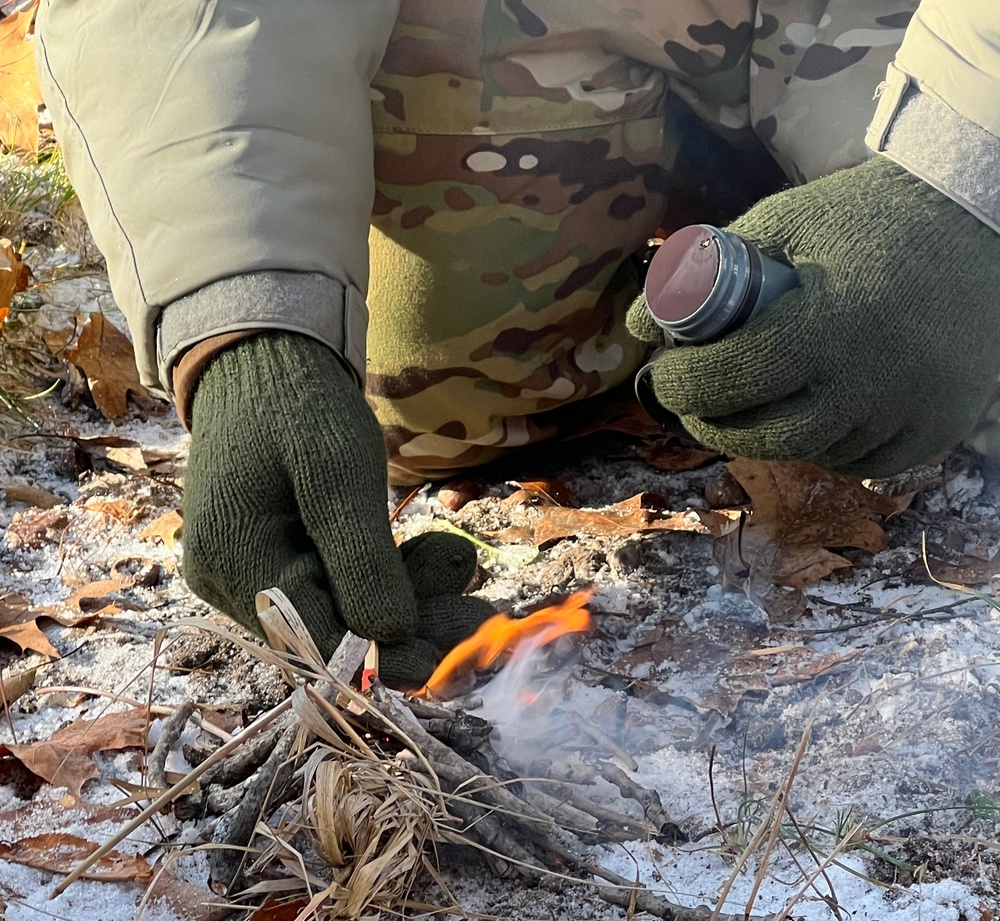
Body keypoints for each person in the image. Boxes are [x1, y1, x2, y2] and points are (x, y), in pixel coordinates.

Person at [35, 2, 1000, 685]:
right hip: (544, 31)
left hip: (917, 27)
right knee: (427, 390)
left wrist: (957, 189)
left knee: (954, 349)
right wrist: (246, 327)